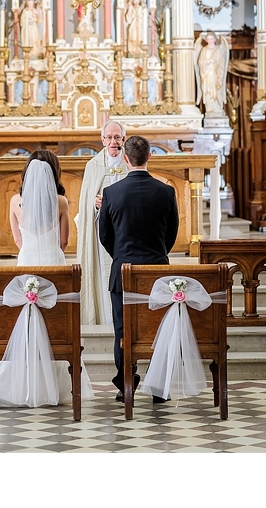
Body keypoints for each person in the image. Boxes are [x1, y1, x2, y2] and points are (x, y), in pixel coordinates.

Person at [0, 150, 93, 406]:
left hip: (26, 263)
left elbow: (18, 240)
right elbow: (64, 242)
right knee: (57, 324)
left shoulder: (15, 202)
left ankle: (24, 384)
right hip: (54, 265)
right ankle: (58, 386)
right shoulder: (61, 202)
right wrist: (50, 250)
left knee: (27, 322)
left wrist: (31, 249)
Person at [98, 135, 179, 403]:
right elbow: (171, 234)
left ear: (125, 157)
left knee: (123, 331)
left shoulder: (112, 193)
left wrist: (121, 256)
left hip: (123, 272)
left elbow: (105, 235)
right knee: (159, 329)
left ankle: (125, 385)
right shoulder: (166, 191)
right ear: (150, 156)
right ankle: (159, 388)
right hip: (158, 271)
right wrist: (158, 255)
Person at [76, 120, 127, 326]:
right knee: (102, 273)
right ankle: (104, 317)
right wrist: (96, 205)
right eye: (109, 137)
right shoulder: (93, 166)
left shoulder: (129, 162)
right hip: (102, 232)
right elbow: (85, 202)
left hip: (125, 231)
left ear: (124, 139)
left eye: (117, 137)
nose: (113, 142)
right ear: (102, 140)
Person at [195, 31, 228, 115]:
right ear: (206, 40)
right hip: (206, 74)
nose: (210, 40)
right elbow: (200, 63)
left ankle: (217, 108)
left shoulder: (218, 50)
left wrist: (220, 74)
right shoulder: (204, 50)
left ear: (215, 39)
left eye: (212, 38)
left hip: (215, 74)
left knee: (216, 91)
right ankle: (209, 109)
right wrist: (208, 62)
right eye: (208, 38)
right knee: (207, 91)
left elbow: (221, 63)